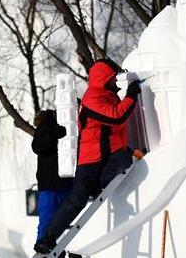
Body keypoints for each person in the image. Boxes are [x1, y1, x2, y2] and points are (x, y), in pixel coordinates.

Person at [34, 59, 141, 255]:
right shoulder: (94, 99)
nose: (116, 82)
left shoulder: (109, 97)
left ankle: (97, 184)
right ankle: (48, 238)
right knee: (77, 200)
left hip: (105, 157)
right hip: (91, 160)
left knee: (123, 160)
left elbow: (116, 123)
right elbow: (116, 116)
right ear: (103, 79)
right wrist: (131, 96)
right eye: (113, 79)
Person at [32, 109, 73, 245]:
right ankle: (44, 244)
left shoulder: (47, 128)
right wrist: (52, 130)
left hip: (54, 182)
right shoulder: (46, 128)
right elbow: (38, 147)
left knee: (50, 219)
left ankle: (45, 245)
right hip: (54, 183)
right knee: (52, 219)